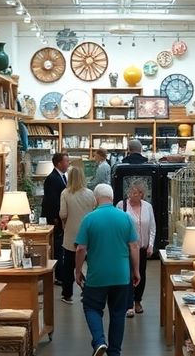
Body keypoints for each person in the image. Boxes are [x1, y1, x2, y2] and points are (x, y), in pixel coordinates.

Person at [75, 183, 140, 356]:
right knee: (118, 313)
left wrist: (77, 270)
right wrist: (136, 271)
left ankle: (99, 341)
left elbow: (81, 248)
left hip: (97, 276)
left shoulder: (89, 219)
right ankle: (114, 352)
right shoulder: (125, 218)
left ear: (96, 198)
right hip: (121, 275)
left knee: (91, 307)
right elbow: (134, 246)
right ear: (112, 197)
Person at [115, 181, 155, 317]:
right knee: (128, 274)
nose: (132, 196)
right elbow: (118, 227)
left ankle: (138, 301)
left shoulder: (147, 207)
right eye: (130, 193)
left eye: (135, 193)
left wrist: (151, 245)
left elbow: (152, 227)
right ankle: (129, 303)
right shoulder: (121, 206)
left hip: (142, 247)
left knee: (141, 274)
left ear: (141, 195)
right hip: (126, 248)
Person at [60, 166, 96, 305]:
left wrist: (65, 222)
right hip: (88, 234)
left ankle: (67, 294)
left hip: (71, 234)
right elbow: (94, 210)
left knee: (68, 266)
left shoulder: (65, 193)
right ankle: (90, 290)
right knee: (91, 264)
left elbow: (63, 214)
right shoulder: (90, 193)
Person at [40, 152, 69, 285]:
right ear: (59, 163)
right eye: (66, 161)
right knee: (57, 247)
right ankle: (59, 275)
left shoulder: (61, 177)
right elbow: (52, 201)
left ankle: (62, 274)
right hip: (54, 219)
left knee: (60, 247)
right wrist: (56, 218)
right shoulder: (52, 178)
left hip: (59, 218)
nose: (68, 164)